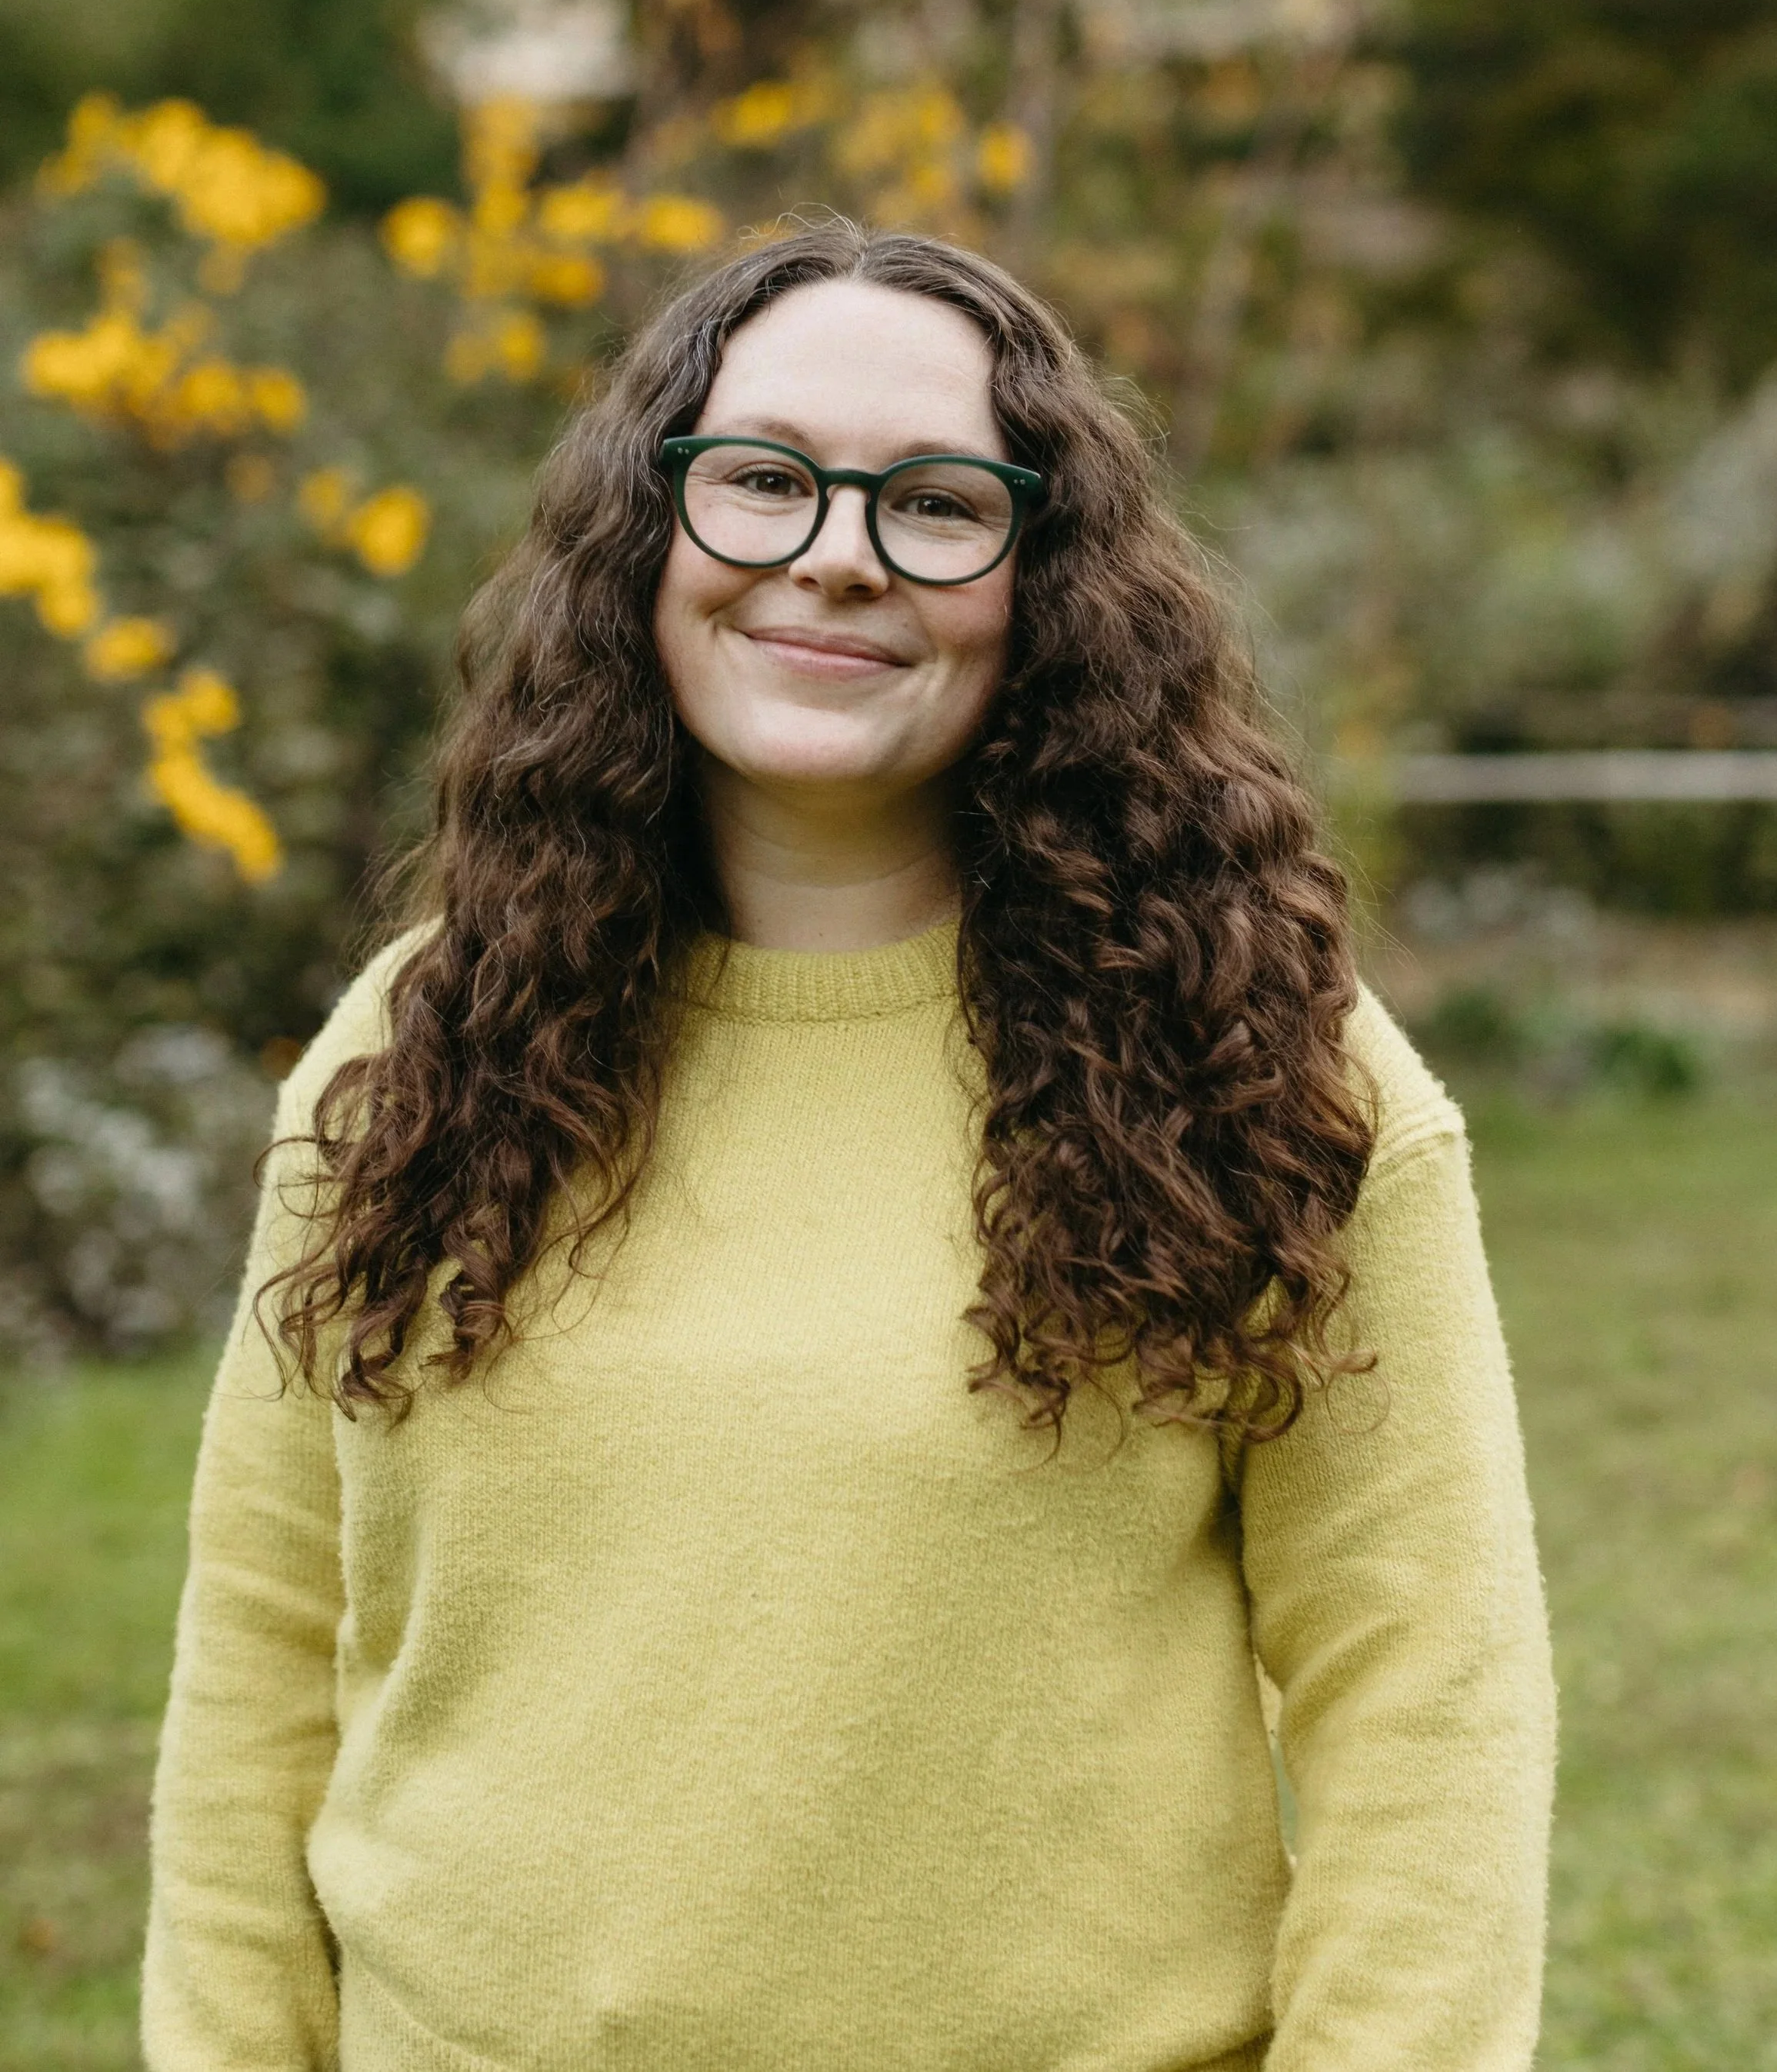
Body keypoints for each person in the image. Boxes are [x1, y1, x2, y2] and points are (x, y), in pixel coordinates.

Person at [143, 224, 1555, 2072]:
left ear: (1043, 576)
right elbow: (261, 1659)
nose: (834, 553)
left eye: (937, 503)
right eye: (763, 480)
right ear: (649, 532)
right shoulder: (419, 1045)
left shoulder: (1260, 1057)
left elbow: (1424, 1697)